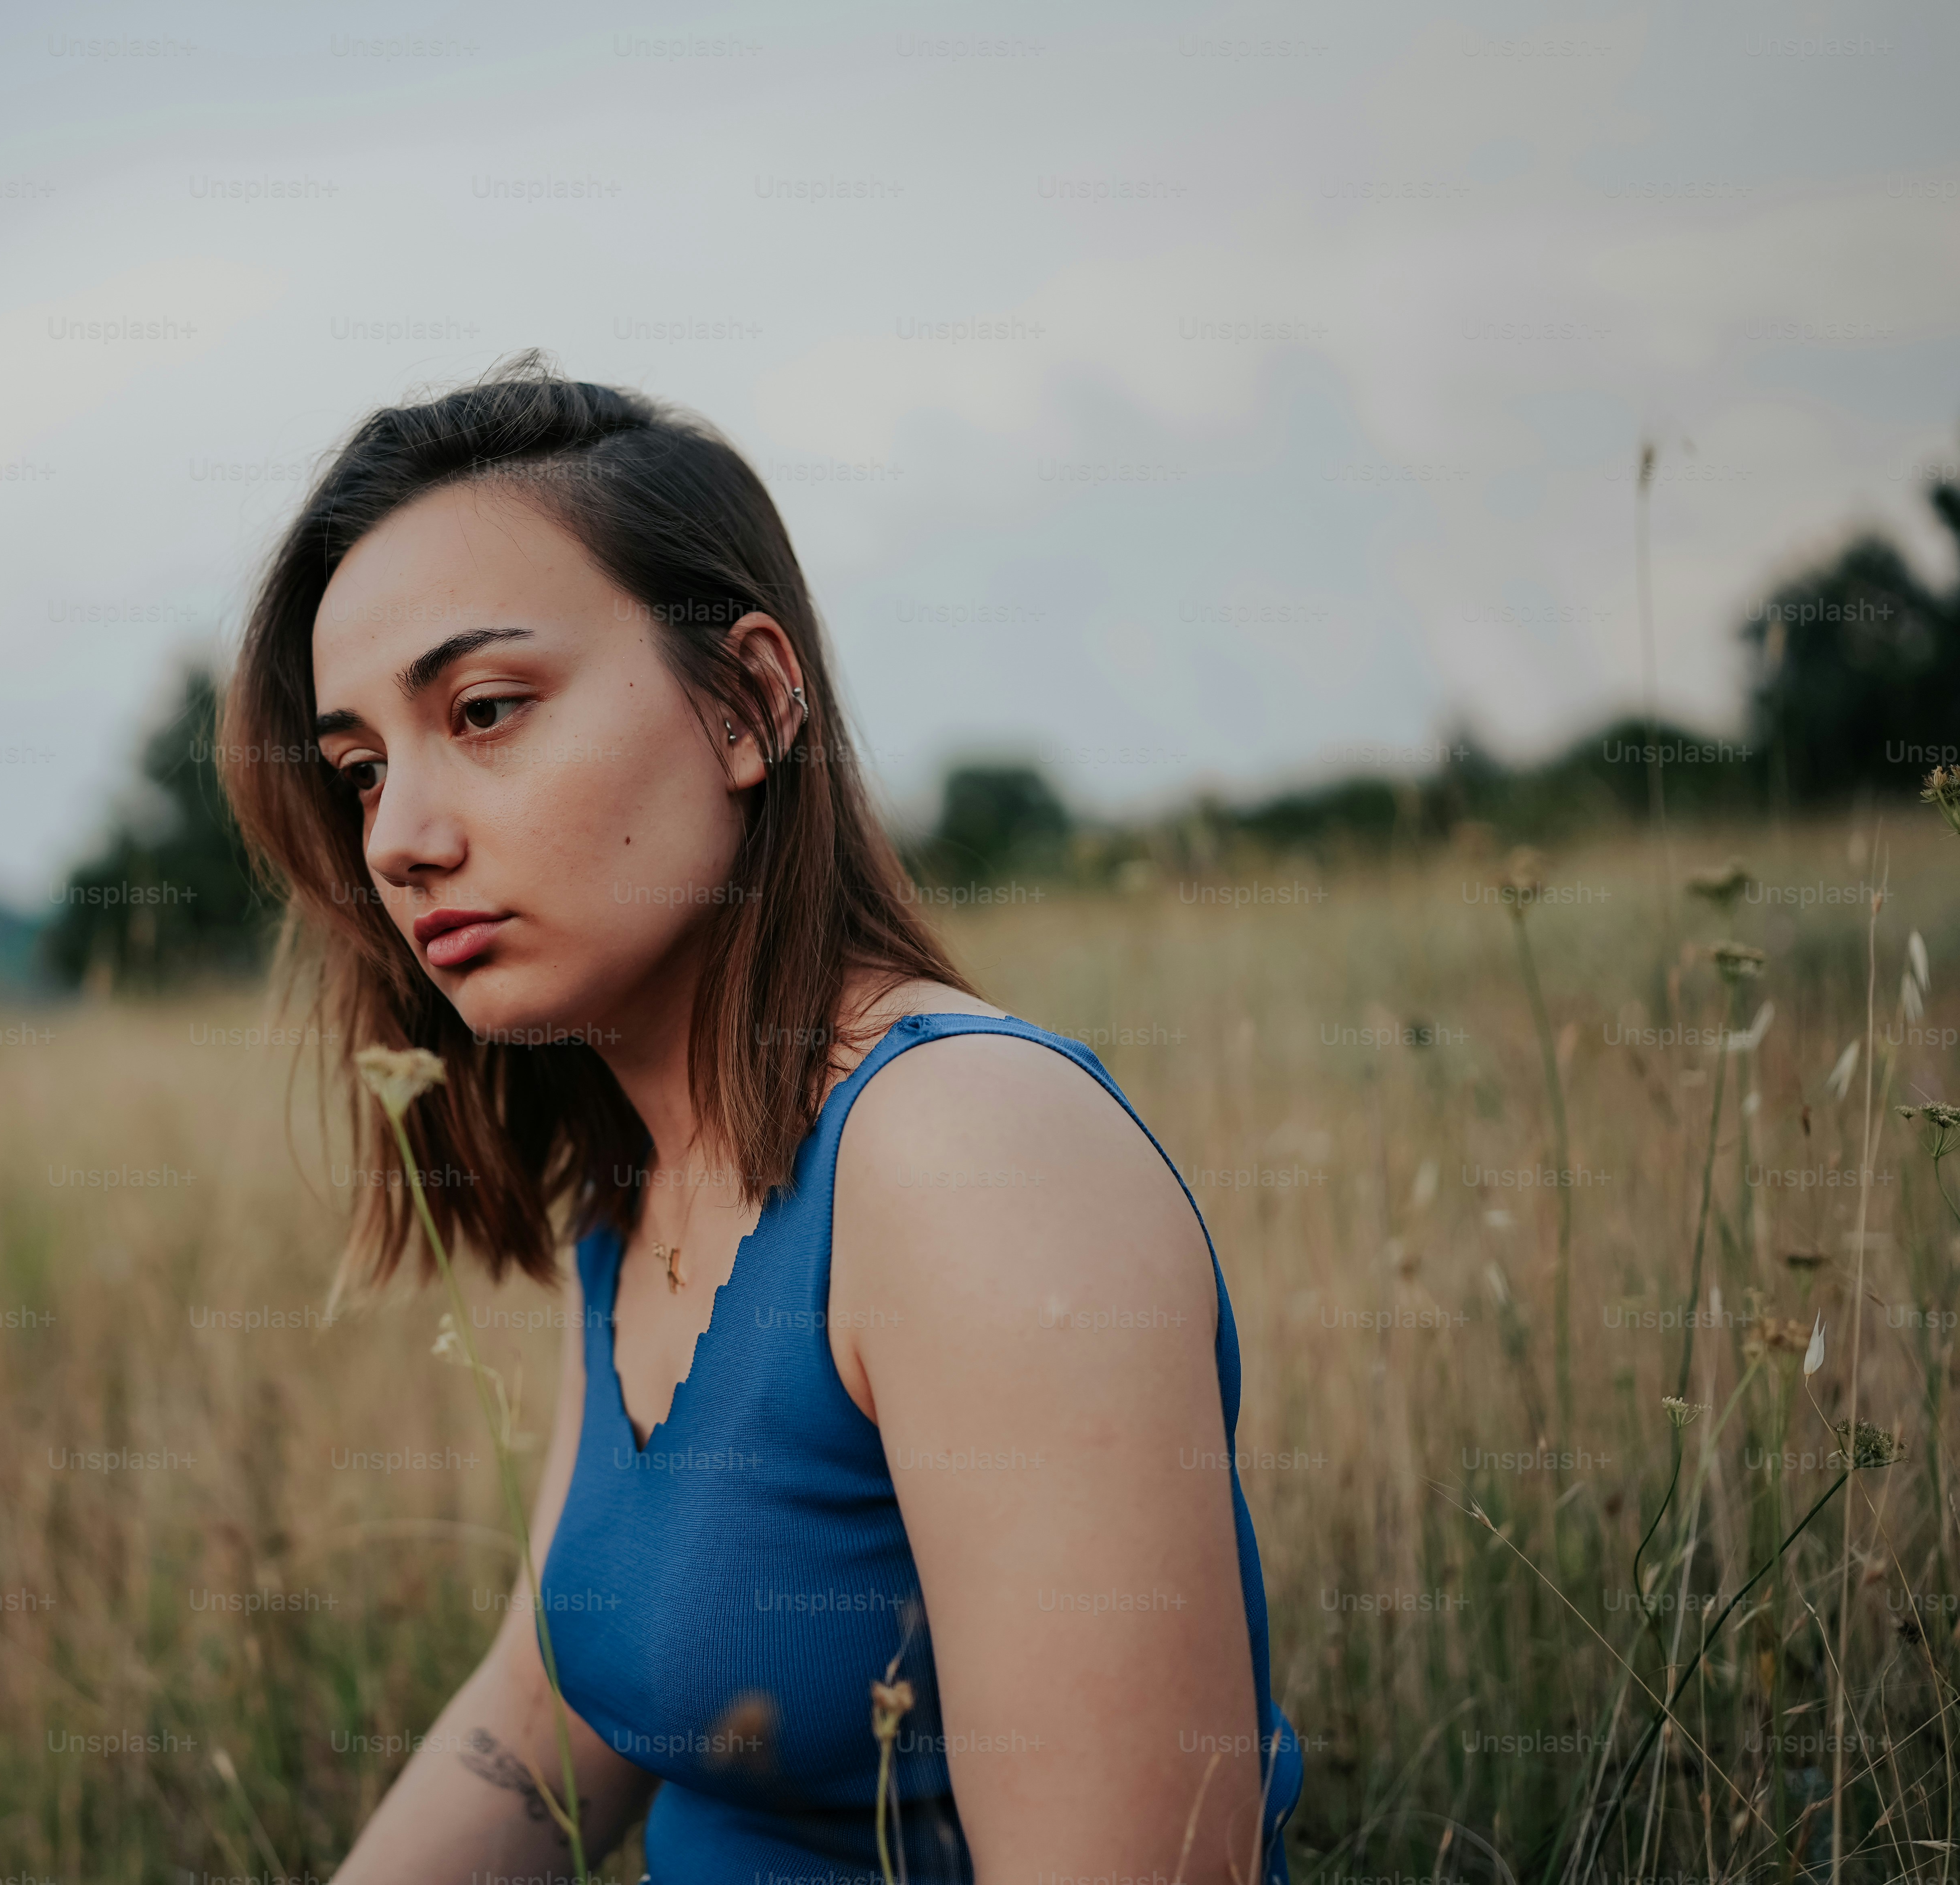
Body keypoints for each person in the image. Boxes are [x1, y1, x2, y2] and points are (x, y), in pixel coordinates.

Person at [218, 353, 1301, 1883]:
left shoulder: (968, 1157)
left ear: (748, 704)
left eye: (486, 710)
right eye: (361, 770)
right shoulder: (639, 1194)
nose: (399, 839)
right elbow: (554, 1712)